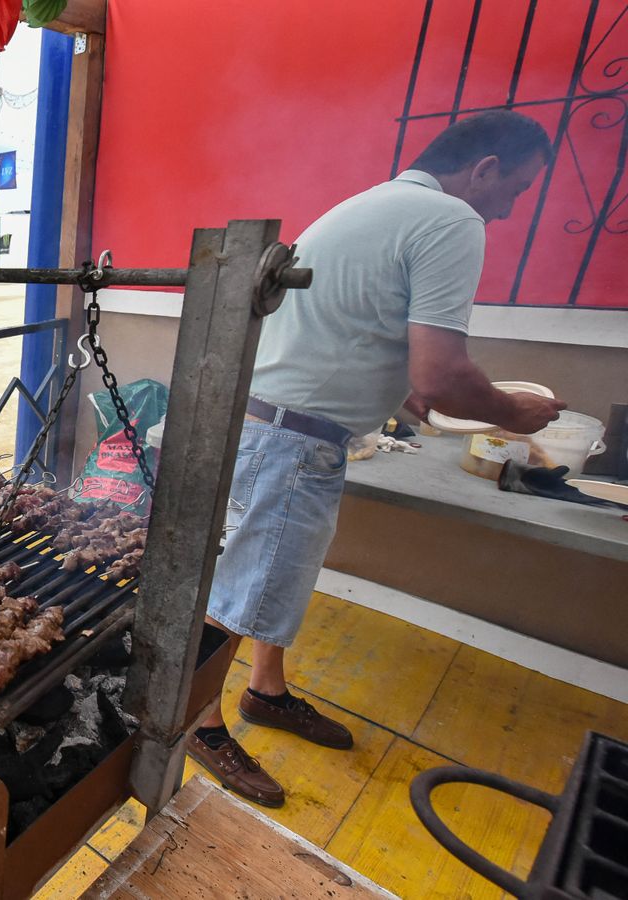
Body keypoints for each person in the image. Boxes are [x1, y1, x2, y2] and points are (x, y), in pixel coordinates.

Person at [185, 109, 567, 809]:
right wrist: (515, 413)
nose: (510, 210)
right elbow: (444, 375)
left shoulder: (369, 204)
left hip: (268, 424)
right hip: (293, 444)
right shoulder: (454, 221)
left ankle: (265, 694)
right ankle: (197, 727)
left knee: (260, 579)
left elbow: (349, 323)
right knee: (239, 595)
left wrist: (398, 394)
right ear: (482, 169)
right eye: (513, 189)